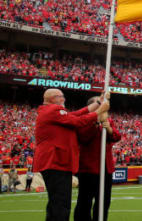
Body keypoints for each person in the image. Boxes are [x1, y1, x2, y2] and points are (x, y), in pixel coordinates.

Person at [35, 89, 109, 221]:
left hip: (56, 162)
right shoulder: (52, 110)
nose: (64, 99)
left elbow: (76, 115)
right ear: (53, 99)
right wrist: (98, 112)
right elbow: (77, 122)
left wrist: (98, 102)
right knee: (61, 204)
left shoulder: (51, 112)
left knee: (56, 203)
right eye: (61, 97)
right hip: (56, 162)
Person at [75, 96, 123, 221]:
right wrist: (96, 122)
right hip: (88, 169)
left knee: (104, 202)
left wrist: (109, 129)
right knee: (84, 202)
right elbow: (84, 137)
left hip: (106, 168)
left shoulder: (107, 119)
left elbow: (117, 136)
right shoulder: (83, 120)